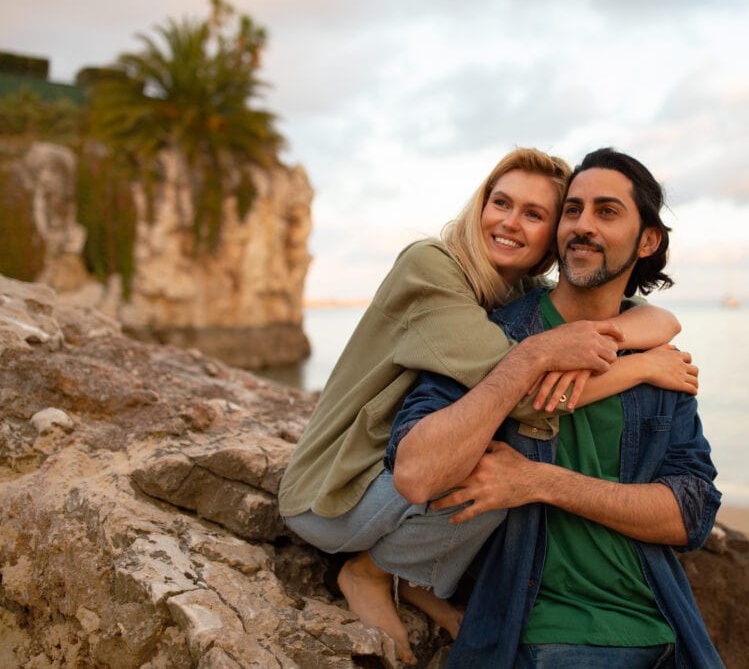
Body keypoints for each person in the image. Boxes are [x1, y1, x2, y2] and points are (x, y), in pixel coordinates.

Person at [277, 147, 698, 664]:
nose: (510, 222)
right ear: (480, 206)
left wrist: (642, 331)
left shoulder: (514, 288)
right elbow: (516, 391)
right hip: (339, 483)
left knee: (485, 444)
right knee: (486, 449)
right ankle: (370, 571)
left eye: (535, 214)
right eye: (500, 203)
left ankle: (416, 578)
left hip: (392, 461)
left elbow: (657, 318)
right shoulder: (432, 267)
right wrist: (635, 366)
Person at [388, 147, 723, 668]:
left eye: (607, 212)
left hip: (664, 630)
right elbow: (416, 470)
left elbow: (691, 512)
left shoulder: (657, 362)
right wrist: (532, 356)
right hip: (539, 633)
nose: (583, 226)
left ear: (648, 240)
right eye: (572, 210)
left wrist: (539, 482)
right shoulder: (495, 335)